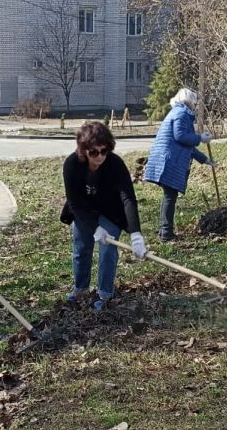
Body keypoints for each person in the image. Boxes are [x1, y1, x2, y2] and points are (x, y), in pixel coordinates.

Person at [61, 121, 146, 309]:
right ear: (84, 150)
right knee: (82, 247)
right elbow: (74, 202)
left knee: (108, 250)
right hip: (84, 211)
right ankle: (80, 289)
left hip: (111, 211)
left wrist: (135, 234)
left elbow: (128, 198)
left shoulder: (115, 164)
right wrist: (95, 227)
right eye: (94, 152)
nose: (99, 156)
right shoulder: (72, 164)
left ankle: (105, 295)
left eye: (104, 151)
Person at [143, 87, 214, 242]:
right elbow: (180, 136)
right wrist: (200, 138)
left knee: (169, 195)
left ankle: (164, 231)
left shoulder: (178, 113)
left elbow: (188, 146)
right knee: (170, 196)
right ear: (189, 101)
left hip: (167, 159)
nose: (195, 105)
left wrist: (205, 160)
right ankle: (166, 233)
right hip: (169, 160)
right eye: (194, 102)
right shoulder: (181, 114)